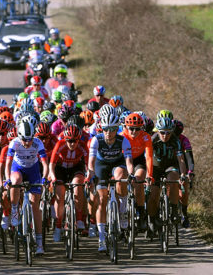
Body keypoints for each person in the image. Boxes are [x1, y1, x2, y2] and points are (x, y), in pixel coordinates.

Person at [86, 108, 132, 252]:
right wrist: (90, 175)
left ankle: (123, 208)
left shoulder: (123, 140)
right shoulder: (96, 140)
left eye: (112, 129)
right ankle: (101, 239)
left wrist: (131, 175)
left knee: (121, 176)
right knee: (102, 199)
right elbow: (91, 163)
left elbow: (129, 162)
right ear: (102, 128)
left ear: (116, 128)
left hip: (117, 164)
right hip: (101, 166)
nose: (108, 133)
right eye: (105, 129)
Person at [4, 116, 48, 255]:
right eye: (24, 140)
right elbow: (8, 164)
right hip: (18, 168)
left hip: (33, 170)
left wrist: (45, 178)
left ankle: (40, 243)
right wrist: (7, 179)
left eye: (30, 139)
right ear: (19, 137)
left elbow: (45, 164)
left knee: (35, 207)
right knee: (15, 181)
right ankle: (15, 209)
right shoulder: (14, 143)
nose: (27, 143)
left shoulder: (38, 143)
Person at [48, 123, 89, 242]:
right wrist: (53, 177)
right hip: (60, 169)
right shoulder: (60, 144)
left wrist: (88, 177)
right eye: (69, 141)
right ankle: (58, 226)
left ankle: (80, 218)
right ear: (65, 139)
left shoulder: (82, 146)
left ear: (78, 140)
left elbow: (87, 165)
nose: (72, 144)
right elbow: (52, 164)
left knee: (78, 185)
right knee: (60, 195)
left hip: (75, 168)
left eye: (74, 141)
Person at [148, 110, 186, 229]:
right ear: (158, 131)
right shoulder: (153, 140)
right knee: (153, 196)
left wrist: (183, 174)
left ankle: (174, 210)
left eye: (168, 133)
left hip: (170, 165)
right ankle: (152, 219)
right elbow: (148, 159)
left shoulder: (175, 140)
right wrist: (148, 175)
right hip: (156, 167)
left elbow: (181, 159)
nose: (165, 135)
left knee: (173, 179)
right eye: (162, 132)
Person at [122, 112, 154, 224]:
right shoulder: (122, 136)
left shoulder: (146, 137)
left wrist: (149, 175)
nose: (134, 132)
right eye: (131, 129)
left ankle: (140, 210)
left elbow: (149, 157)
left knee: (139, 181)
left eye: (137, 129)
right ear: (126, 127)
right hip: (125, 161)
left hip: (139, 161)